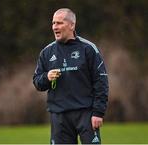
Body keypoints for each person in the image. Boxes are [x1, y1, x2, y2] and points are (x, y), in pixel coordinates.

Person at [33, 8, 109, 144]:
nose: (55, 27)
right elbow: (37, 82)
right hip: (59, 117)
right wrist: (47, 77)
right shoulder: (47, 52)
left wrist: (98, 112)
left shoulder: (88, 49)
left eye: (59, 23)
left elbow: (101, 81)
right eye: (53, 23)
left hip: (86, 114)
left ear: (72, 25)